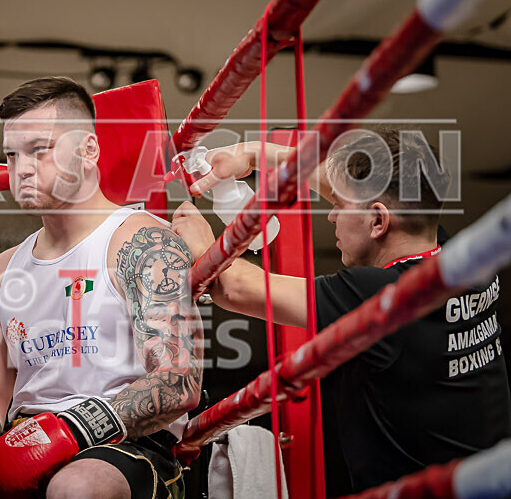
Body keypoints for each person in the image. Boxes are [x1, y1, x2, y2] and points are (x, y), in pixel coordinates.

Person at [171, 127, 511, 494]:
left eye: (341, 206)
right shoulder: (458, 260)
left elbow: (233, 287)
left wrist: (199, 238)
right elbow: (358, 192)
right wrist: (252, 154)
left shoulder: (382, 296)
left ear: (378, 221)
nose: (332, 215)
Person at [0, 77, 203, 499]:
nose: (22, 168)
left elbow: (178, 381)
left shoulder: (141, 242)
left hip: (127, 444)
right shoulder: (4, 269)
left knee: (76, 487)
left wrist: (69, 430)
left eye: (39, 149)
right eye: (12, 154)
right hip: (20, 445)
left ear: (88, 150)